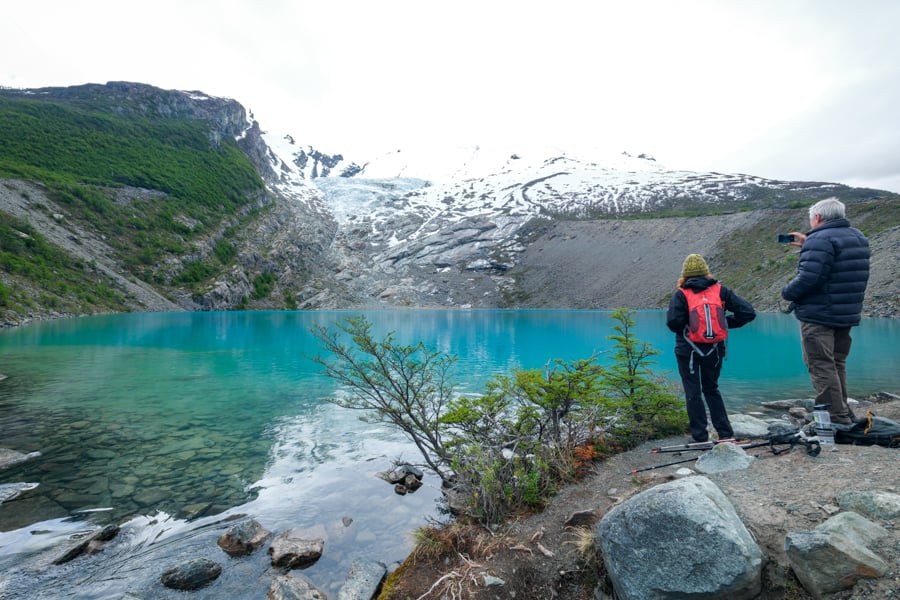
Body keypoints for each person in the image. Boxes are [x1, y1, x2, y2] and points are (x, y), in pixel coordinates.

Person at [781, 197, 870, 431]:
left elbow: (810, 277)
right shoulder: (857, 236)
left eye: (811, 219)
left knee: (821, 364)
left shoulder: (820, 239)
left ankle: (835, 417)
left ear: (818, 217)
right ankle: (843, 411)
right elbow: (837, 265)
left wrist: (787, 292)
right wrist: (808, 244)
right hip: (846, 311)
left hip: (819, 313)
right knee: (837, 362)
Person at [666, 254, 756, 443]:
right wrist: (723, 324)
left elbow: (673, 323)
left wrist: (690, 327)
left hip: (688, 350)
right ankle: (725, 434)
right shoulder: (720, 290)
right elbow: (748, 312)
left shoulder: (681, 294)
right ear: (707, 272)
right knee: (711, 388)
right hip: (714, 349)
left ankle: (700, 437)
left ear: (685, 275)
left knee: (693, 391)